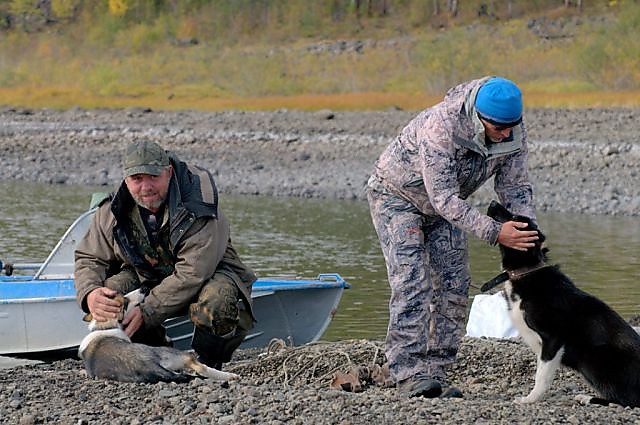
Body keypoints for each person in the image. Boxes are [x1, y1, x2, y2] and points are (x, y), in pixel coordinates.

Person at [366, 76, 539, 398]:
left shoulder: (511, 130)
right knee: (412, 281)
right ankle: (406, 373)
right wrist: (495, 231)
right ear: (478, 117)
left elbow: (515, 186)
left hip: (447, 207)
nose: (505, 134)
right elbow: (443, 198)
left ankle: (436, 373)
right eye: (498, 127)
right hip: (397, 199)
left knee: (454, 283)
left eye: (511, 127)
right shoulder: (440, 126)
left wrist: (527, 228)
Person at [75, 140, 256, 369]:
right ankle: (153, 356)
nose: (146, 187)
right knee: (111, 294)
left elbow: (193, 273)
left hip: (209, 274)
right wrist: (90, 293)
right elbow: (89, 258)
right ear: (126, 180)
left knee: (218, 300)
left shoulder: (200, 206)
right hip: (147, 276)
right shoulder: (111, 210)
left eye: (153, 177)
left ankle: (209, 364)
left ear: (168, 172)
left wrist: (147, 310)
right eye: (137, 179)